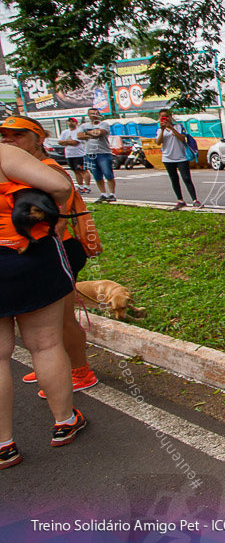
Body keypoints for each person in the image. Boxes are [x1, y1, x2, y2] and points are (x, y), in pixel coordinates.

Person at [0, 143, 86, 469]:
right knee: (46, 343)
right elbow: (62, 187)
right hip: (27, 252)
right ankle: (64, 422)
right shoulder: (4, 155)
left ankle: (3, 445)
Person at [0, 115, 100, 397]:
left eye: (18, 135)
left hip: (58, 250)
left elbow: (57, 222)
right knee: (43, 327)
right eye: (5, 136)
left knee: (63, 319)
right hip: (30, 253)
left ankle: (80, 370)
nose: (9, 140)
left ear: (39, 138)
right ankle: (56, 367)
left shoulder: (50, 171)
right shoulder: (18, 170)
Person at [155, 110, 202, 210]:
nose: (165, 119)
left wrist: (171, 128)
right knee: (174, 179)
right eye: (162, 117)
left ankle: (195, 200)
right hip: (167, 158)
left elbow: (182, 138)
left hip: (181, 157)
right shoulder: (159, 130)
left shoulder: (179, 127)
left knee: (186, 178)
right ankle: (180, 200)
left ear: (171, 117)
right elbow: (158, 143)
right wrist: (163, 130)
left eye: (167, 116)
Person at [76, 107, 115, 201]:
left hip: (103, 153)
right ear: (88, 115)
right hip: (90, 154)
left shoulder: (104, 124)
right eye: (91, 114)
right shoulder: (83, 125)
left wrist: (87, 133)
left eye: (95, 113)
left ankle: (112, 194)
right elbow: (79, 136)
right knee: (97, 175)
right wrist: (92, 133)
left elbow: (100, 133)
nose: (93, 116)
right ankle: (103, 194)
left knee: (108, 174)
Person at [58, 117, 90, 192]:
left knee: (83, 170)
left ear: (76, 123)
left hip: (79, 154)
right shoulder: (64, 132)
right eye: (69, 121)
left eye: (73, 121)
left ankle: (87, 186)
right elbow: (60, 142)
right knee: (75, 171)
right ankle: (80, 186)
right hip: (69, 154)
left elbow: (75, 142)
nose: (71, 123)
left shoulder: (78, 131)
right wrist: (69, 141)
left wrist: (66, 142)